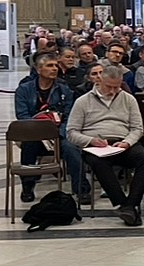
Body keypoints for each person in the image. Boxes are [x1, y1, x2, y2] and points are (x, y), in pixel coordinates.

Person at [66, 66, 144, 226]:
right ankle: (123, 204)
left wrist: (127, 142)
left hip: (122, 142)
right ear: (100, 81)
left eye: (117, 87)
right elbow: (71, 132)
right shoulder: (83, 101)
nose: (113, 91)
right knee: (99, 162)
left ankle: (130, 204)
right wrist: (91, 140)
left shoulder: (128, 99)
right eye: (109, 86)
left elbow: (137, 128)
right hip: (95, 144)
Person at [14, 53, 90, 203]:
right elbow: (22, 116)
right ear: (38, 69)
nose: (54, 68)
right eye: (50, 65)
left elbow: (69, 116)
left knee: (71, 148)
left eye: (55, 65)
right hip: (34, 134)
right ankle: (28, 186)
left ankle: (81, 189)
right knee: (29, 146)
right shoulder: (24, 89)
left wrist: (58, 134)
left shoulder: (64, 90)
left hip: (59, 134)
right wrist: (42, 134)